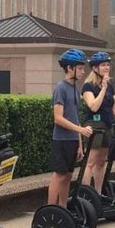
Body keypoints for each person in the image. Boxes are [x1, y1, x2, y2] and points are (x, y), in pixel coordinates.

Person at [81, 51, 115, 193]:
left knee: (101, 161)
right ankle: (87, 194)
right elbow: (93, 106)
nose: (106, 68)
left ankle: (98, 193)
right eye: (103, 65)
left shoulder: (110, 86)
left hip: (107, 125)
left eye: (107, 65)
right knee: (90, 162)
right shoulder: (88, 86)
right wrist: (103, 88)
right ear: (94, 68)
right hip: (94, 125)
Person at [47, 49, 93, 207]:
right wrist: (80, 130)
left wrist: (79, 143)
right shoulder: (61, 87)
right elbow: (58, 118)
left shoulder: (75, 88)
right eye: (79, 68)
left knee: (67, 176)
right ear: (69, 68)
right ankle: (51, 209)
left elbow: (74, 117)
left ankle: (62, 208)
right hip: (61, 140)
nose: (83, 71)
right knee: (58, 176)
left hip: (72, 140)